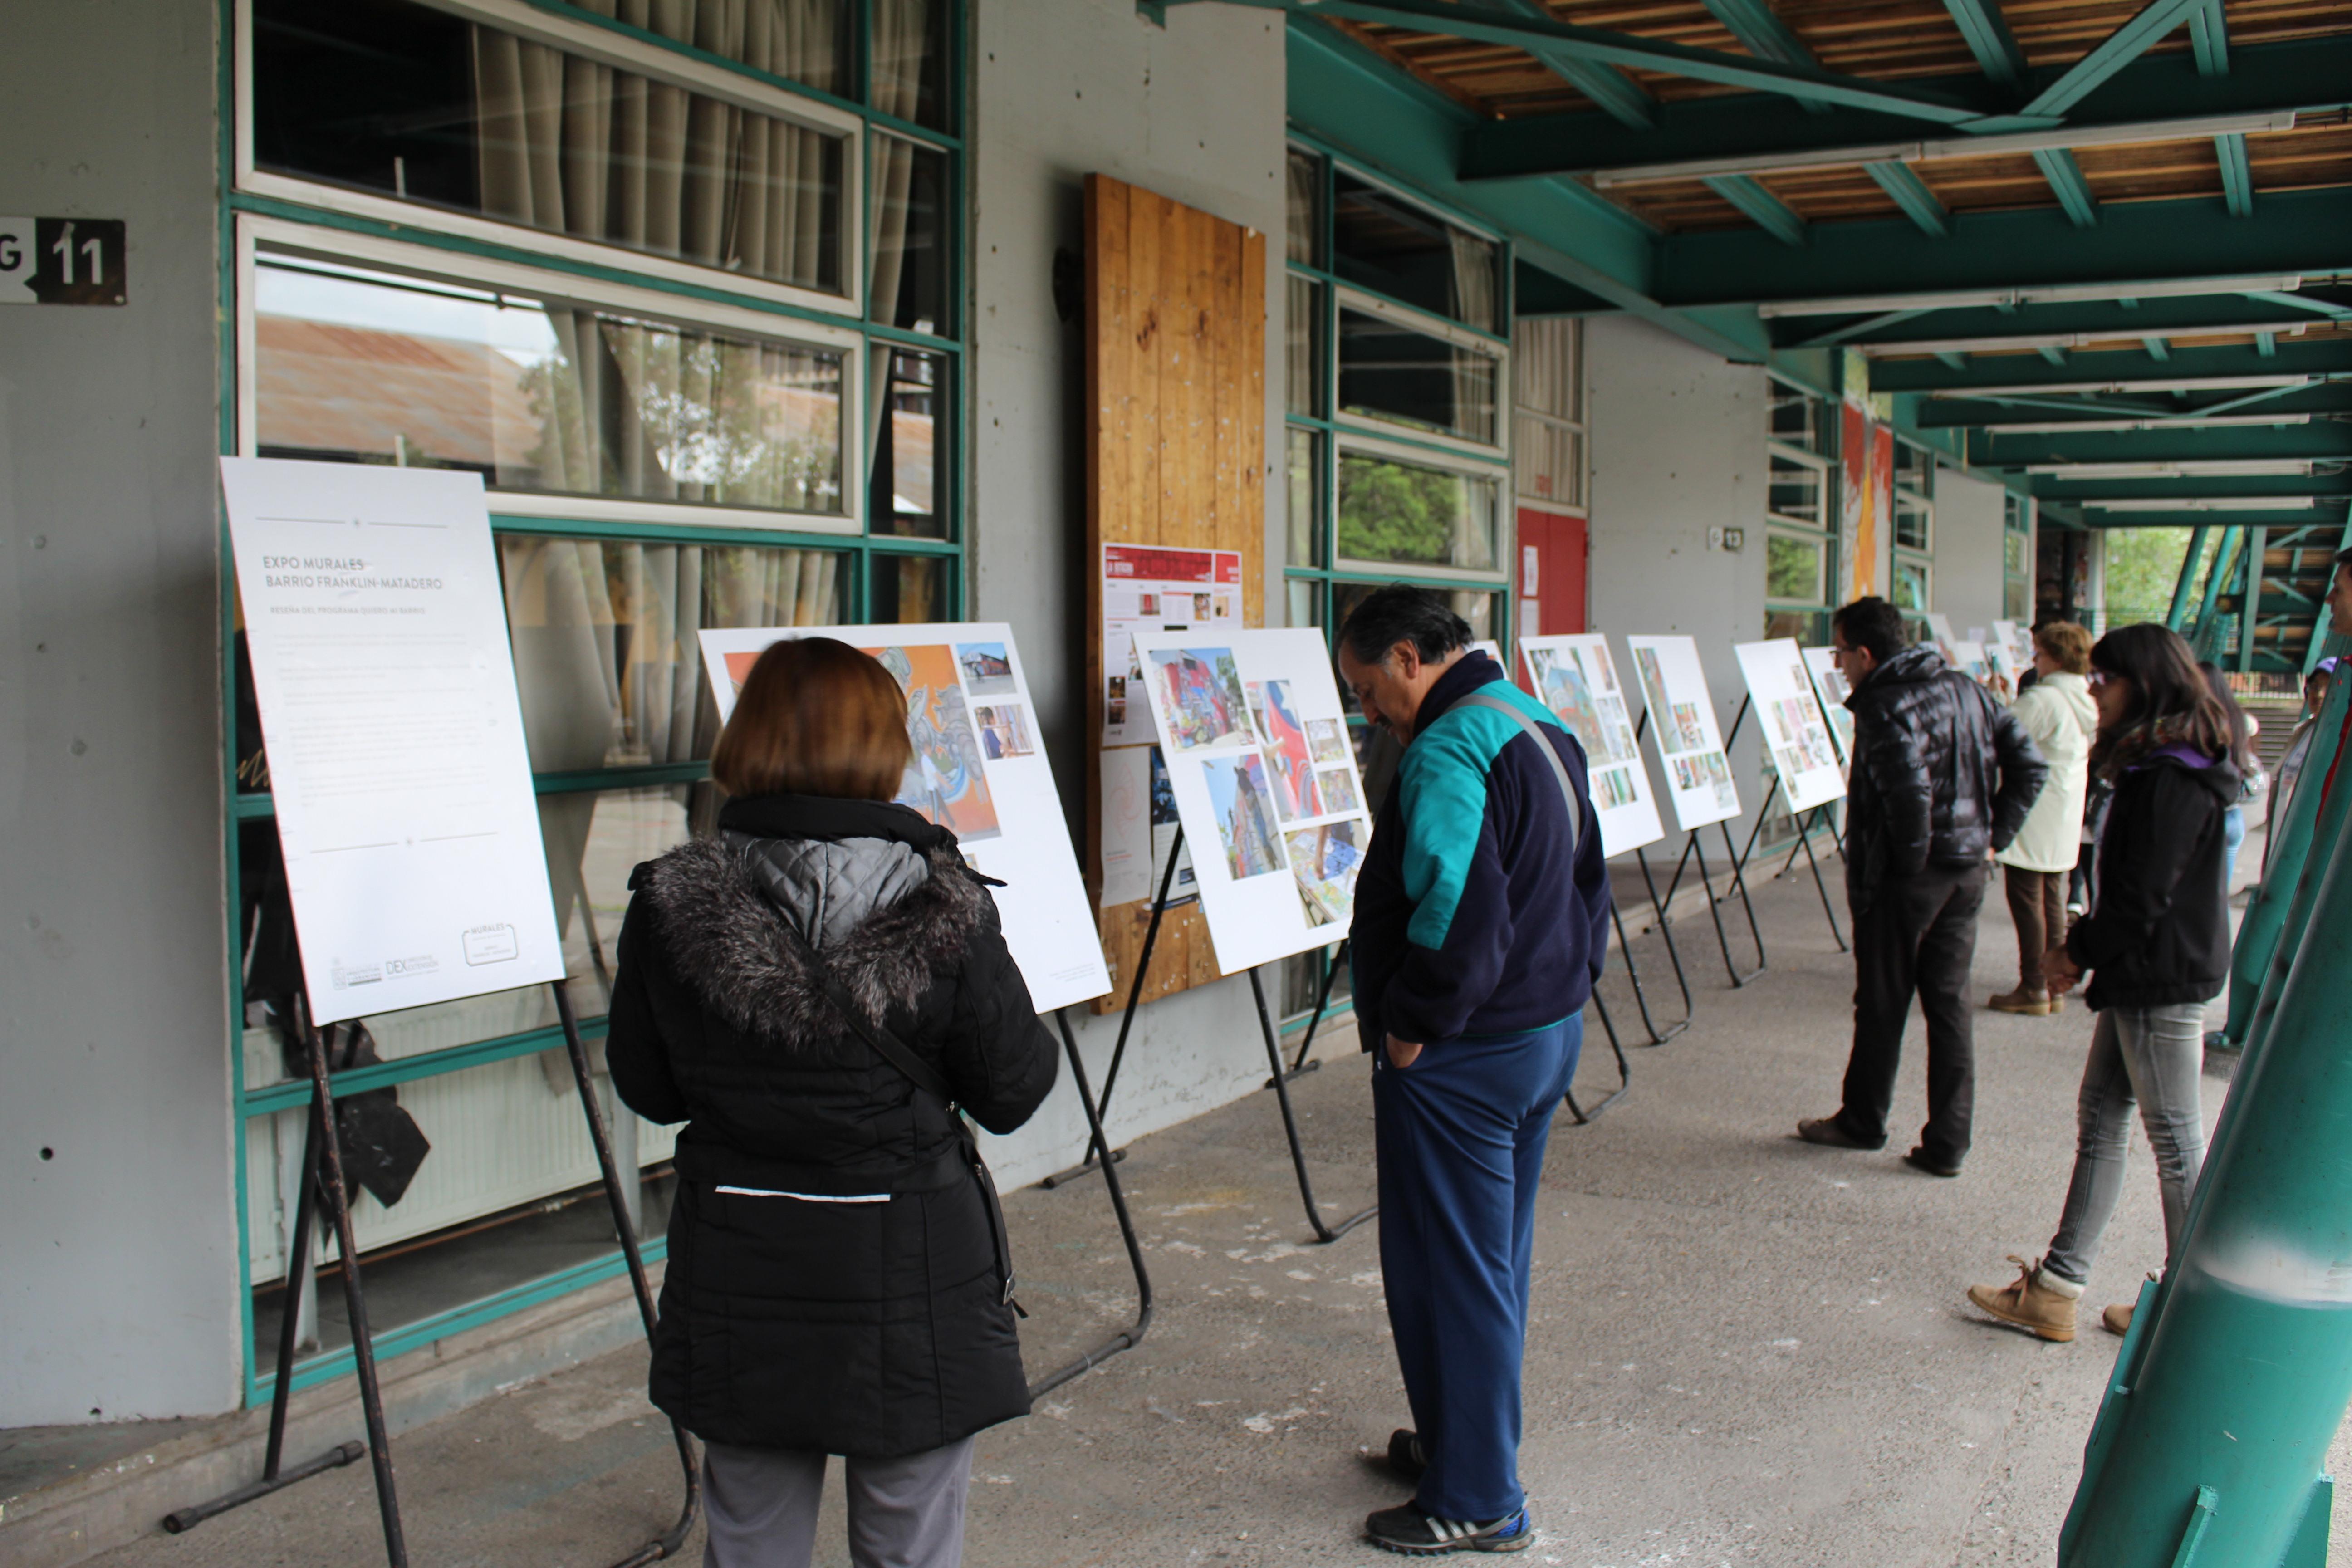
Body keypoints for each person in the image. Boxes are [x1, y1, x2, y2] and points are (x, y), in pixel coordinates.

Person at [604, 637, 1058, 1568]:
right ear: (883, 746)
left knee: (752, 1540)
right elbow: (1013, 1092)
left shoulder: (666, 907)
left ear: (748, 741)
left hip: (739, 1260)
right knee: (909, 1543)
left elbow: (648, 1091)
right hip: (914, 1266)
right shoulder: (949, 908)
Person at [1336, 585, 1609, 1556]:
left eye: (1368, 689)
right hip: (1542, 1033)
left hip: (1467, 1054)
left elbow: (1456, 908)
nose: (1369, 713)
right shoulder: (1534, 720)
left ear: (1410, 657)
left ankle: (1481, 1496)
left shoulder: (1449, 746)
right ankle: (1462, 1446)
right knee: (1492, 1266)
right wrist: (1570, 986)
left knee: (1450, 1272)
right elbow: (1590, 877)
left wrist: (1413, 1026)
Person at [1965, 623, 2242, 1343]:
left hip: (2159, 976)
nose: (2095, 691)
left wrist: (2074, 952)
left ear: (2145, 683)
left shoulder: (2173, 774)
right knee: (2103, 1119)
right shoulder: (2167, 762)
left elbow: (2143, 894)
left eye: (2106, 679)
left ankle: (2194, 1312)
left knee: (2175, 1141)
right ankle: (2058, 1285)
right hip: (2147, 973)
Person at [1798, 597, 2046, 1177]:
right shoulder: (1967, 688)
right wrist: (1992, 839)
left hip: (1910, 878)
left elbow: (1908, 795)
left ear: (1864, 652)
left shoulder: (1885, 704)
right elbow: (2030, 764)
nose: (1838, 665)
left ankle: (1863, 1120)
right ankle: (1948, 1144)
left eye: (1840, 652)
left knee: (1882, 1003)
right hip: (1966, 874)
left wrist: (1908, 866)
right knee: (1949, 1006)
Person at [1989, 622, 2098, 1017]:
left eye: (2037, 653)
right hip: (2065, 809)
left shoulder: (2044, 698)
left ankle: (2033, 985)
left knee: (2025, 899)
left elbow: (2000, 735)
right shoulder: (2086, 696)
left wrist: (1997, 701)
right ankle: (2054, 984)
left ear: (2053, 656)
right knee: (2053, 897)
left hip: (2033, 810)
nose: (2035, 660)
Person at [2265, 658, 2338, 872]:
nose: (2319, 694)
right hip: (2283, 832)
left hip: (2313, 841)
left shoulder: (2342, 739)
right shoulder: (2303, 731)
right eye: (2315, 686)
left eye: (2329, 687)